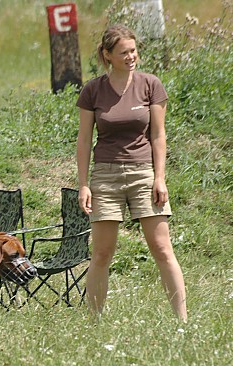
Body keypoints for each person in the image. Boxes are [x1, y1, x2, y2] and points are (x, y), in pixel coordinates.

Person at [76, 24, 187, 322]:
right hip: (105, 176)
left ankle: (182, 321)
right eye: (124, 52)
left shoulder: (151, 85)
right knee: (101, 254)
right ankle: (94, 323)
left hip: (143, 173)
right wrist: (84, 185)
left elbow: (158, 136)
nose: (131, 57)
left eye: (133, 50)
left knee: (162, 249)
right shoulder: (92, 90)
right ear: (107, 55)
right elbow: (84, 140)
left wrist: (159, 178)